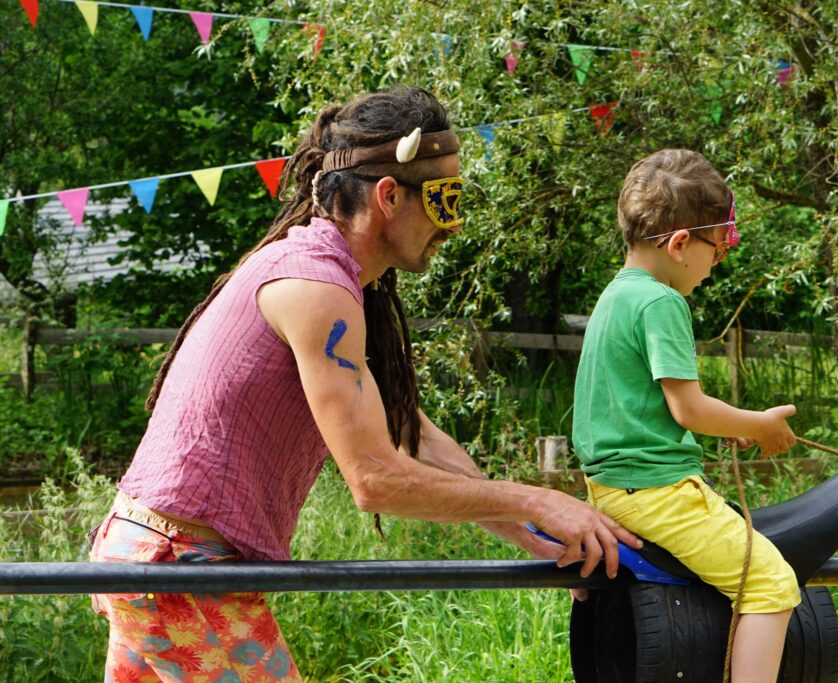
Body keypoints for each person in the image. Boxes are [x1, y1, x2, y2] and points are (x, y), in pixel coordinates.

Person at [88, 85, 640, 682]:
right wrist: (537, 499)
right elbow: (375, 480)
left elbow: (412, 439)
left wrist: (534, 537)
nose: (453, 226)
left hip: (151, 554)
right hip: (179, 566)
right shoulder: (316, 287)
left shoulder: (328, 276)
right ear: (389, 196)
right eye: (445, 200)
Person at [572, 149, 801, 683]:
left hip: (608, 489)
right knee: (771, 584)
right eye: (716, 250)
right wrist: (758, 424)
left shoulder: (615, 296)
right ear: (679, 245)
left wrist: (732, 425)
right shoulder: (662, 303)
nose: (715, 264)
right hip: (657, 493)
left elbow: (641, 407)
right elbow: (689, 408)